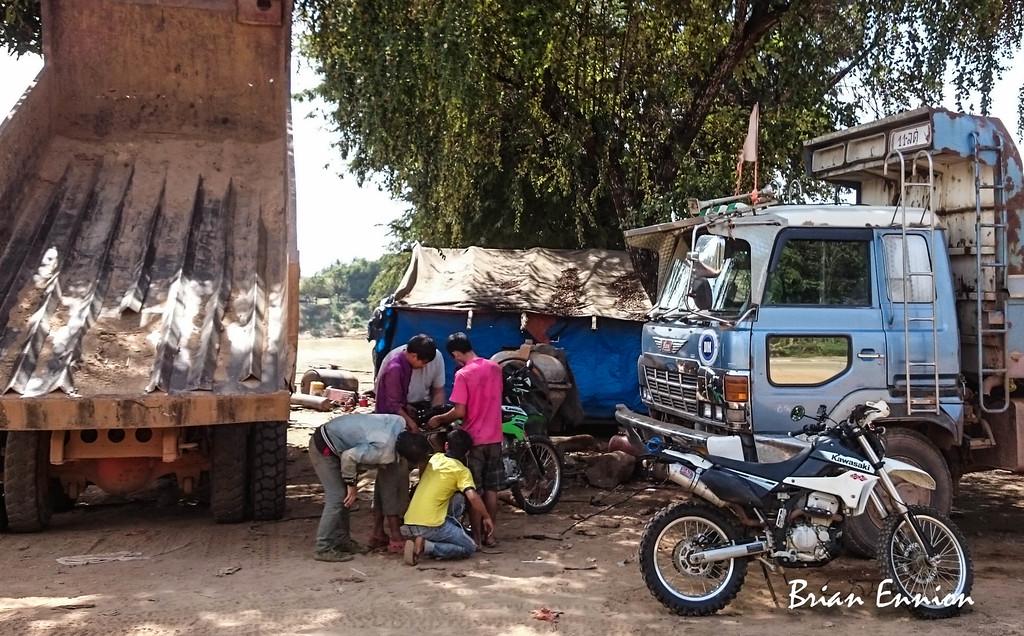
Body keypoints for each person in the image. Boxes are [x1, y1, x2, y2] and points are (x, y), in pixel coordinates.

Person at [308, 413, 426, 562]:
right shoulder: (384, 450)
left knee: (345, 499)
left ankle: (342, 540)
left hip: (336, 438)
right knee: (337, 497)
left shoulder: (399, 423)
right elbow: (349, 457)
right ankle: (323, 547)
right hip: (324, 447)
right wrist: (351, 484)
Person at [427, 332, 503, 547]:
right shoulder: (495, 367)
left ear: (456, 353)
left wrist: (439, 419)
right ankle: (491, 536)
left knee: (474, 490)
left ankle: (476, 537)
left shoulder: (463, 374)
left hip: (474, 440)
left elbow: (460, 411)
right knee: (492, 489)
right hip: (495, 437)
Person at [371, 334, 437, 553]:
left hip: (394, 423)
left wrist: (409, 409)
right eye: (423, 362)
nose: (423, 367)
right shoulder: (396, 368)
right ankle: (394, 532)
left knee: (384, 481)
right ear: (414, 355)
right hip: (388, 429)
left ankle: (378, 531)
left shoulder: (405, 364)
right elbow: (392, 404)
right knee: (395, 481)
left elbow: (399, 400)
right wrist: (411, 423)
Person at [400, 429, 494, 565]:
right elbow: (472, 496)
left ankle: (423, 539)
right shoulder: (461, 471)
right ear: (467, 453)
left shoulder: (435, 458)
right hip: (432, 525)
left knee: (455, 498)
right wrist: (486, 516)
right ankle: (426, 546)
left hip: (410, 521)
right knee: (469, 547)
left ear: (446, 446)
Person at [376, 340, 446, 407]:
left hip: (420, 404)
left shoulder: (436, 358)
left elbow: (438, 390)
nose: (424, 366)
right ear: (414, 356)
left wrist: (436, 412)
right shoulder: (393, 366)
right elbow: (392, 404)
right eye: (424, 363)